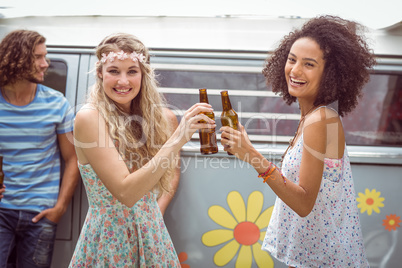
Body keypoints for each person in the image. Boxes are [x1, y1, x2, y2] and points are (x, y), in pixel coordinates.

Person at [220, 15, 376, 267]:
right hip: (320, 256)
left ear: (331, 73)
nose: (295, 70)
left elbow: (303, 203)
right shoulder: (316, 116)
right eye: (292, 59)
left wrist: (250, 154)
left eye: (309, 64)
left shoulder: (320, 120)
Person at [69, 33, 215, 267]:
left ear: (144, 74)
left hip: (152, 233)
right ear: (100, 73)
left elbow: (170, 173)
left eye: (132, 71)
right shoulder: (89, 118)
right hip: (110, 238)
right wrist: (178, 139)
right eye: (114, 71)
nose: (123, 81)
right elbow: (125, 193)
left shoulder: (159, 118)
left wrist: (153, 213)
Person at [0, 30, 80, 267]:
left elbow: (73, 158)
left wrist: (60, 207)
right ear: (16, 59)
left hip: (41, 213)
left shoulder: (57, 103)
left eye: (45, 56)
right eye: (38, 57)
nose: (45, 64)